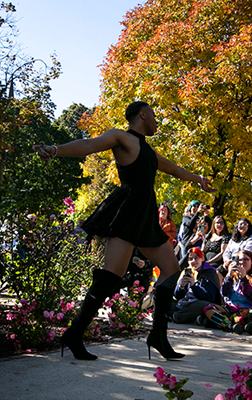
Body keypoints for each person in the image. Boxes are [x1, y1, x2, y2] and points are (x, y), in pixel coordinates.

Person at [32, 100, 216, 360]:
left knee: (172, 268)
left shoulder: (149, 151)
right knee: (111, 276)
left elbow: (173, 169)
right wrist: (54, 149)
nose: (156, 122)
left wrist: (198, 178)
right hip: (128, 212)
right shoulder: (122, 138)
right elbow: (88, 145)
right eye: (153, 116)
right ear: (142, 115)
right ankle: (74, 334)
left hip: (146, 216)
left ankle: (159, 335)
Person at [202, 250, 252, 333]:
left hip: (248, 310)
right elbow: (224, 293)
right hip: (230, 309)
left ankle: (219, 322)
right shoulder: (233, 277)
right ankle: (229, 325)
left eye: (245, 260)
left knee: (245, 315)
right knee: (208, 308)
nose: (242, 263)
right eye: (239, 260)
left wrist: (243, 279)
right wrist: (229, 275)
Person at [172, 248, 222, 324]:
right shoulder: (188, 272)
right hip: (186, 301)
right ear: (188, 262)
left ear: (202, 259)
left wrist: (193, 286)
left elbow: (209, 296)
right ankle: (192, 318)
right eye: (191, 259)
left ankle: (176, 316)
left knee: (197, 306)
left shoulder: (209, 273)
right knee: (166, 300)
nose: (194, 261)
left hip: (203, 302)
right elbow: (178, 296)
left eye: (196, 258)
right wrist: (181, 287)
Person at [204, 215, 231, 283]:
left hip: (217, 263)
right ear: (214, 224)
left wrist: (209, 262)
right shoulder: (209, 235)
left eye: (221, 223)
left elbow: (222, 253)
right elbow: (203, 250)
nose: (219, 225)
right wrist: (202, 261)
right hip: (205, 261)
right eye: (217, 223)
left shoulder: (226, 236)